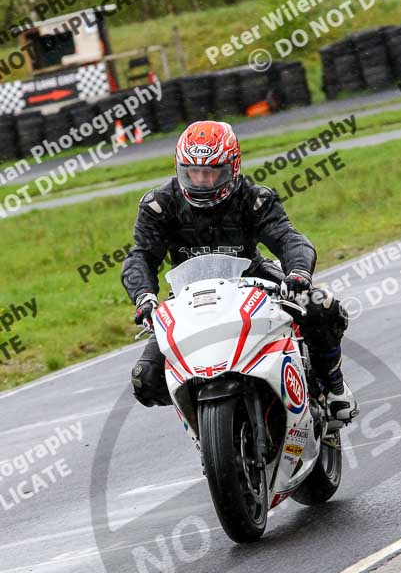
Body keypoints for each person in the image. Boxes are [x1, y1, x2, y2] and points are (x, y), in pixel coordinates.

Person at [121, 120, 357, 426]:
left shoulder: (255, 198)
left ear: (232, 167)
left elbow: (288, 238)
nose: (202, 181)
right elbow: (141, 255)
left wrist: (298, 272)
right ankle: (206, 418)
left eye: (211, 172)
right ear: (180, 168)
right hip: (187, 294)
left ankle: (333, 387)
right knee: (145, 380)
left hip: (253, 278)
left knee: (321, 306)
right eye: (193, 172)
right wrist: (144, 297)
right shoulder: (159, 205)